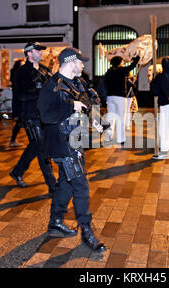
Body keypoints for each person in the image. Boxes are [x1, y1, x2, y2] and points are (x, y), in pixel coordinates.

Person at [37, 47, 106, 252]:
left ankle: (56, 221)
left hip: (76, 141)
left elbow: (87, 104)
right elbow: (46, 116)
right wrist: (70, 106)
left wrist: (96, 121)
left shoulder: (78, 83)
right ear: (69, 61)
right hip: (61, 143)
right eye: (80, 61)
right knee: (80, 185)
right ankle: (87, 231)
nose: (83, 65)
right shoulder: (52, 86)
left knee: (65, 184)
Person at [9, 42, 57, 197]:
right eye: (38, 50)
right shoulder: (21, 73)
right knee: (42, 149)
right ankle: (52, 185)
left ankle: (17, 172)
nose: (41, 53)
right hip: (31, 116)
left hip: (45, 116)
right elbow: (21, 95)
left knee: (35, 146)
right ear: (29, 53)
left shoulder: (45, 70)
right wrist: (42, 93)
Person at [104, 55, 140, 144]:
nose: (123, 63)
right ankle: (121, 139)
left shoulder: (109, 71)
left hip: (110, 97)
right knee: (121, 118)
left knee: (110, 117)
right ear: (119, 62)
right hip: (120, 97)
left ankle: (109, 137)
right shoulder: (121, 70)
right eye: (123, 61)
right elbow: (132, 66)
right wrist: (137, 58)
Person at [150, 56, 169, 159]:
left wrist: (154, 78)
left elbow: (154, 89)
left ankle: (164, 151)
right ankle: (167, 148)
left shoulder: (161, 76)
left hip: (165, 104)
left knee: (163, 128)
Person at [9, 59, 24, 147]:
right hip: (20, 104)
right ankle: (12, 140)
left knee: (20, 123)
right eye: (21, 64)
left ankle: (13, 140)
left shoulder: (16, 76)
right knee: (20, 123)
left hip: (19, 103)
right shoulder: (18, 76)